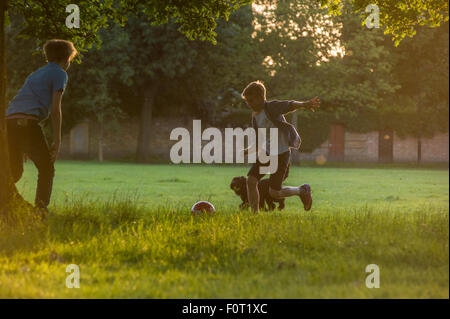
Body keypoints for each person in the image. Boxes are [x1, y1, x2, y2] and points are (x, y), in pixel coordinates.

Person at [6, 39, 77, 214]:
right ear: (67, 58)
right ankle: (40, 210)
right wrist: (58, 141)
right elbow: (55, 109)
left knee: (14, 172)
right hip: (28, 123)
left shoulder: (35, 74)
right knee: (46, 168)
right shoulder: (60, 74)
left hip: (9, 123)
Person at [241, 81, 320, 212]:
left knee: (274, 193)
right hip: (267, 154)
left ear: (261, 97)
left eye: (251, 100)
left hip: (281, 154)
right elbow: (259, 140)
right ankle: (254, 214)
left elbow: (289, 104)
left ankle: (302, 190)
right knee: (251, 181)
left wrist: (304, 105)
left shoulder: (271, 107)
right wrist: (247, 151)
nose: (249, 104)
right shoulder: (255, 117)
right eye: (247, 101)